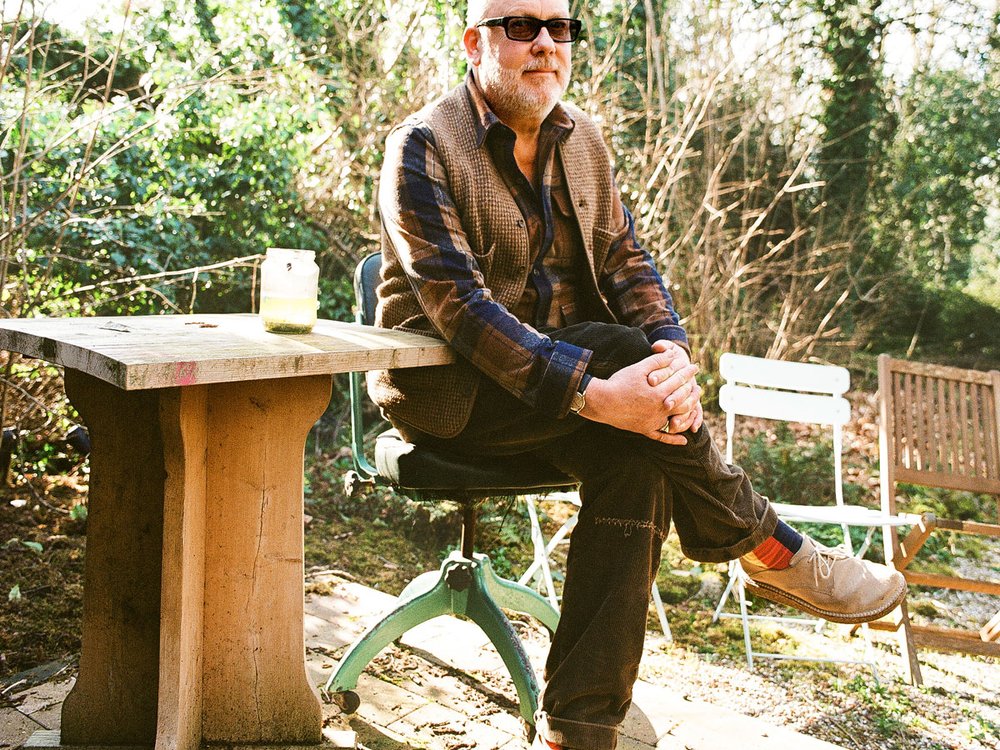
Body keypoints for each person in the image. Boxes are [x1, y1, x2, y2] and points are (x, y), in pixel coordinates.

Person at [369, 1, 906, 748]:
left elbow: (625, 258)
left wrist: (671, 351)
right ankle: (768, 543)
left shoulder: (582, 137)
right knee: (619, 355)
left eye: (559, 28)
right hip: (452, 392)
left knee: (639, 456)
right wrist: (597, 389)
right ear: (474, 43)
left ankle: (579, 729)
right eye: (520, 26)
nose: (546, 45)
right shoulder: (421, 147)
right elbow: (457, 306)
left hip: (576, 384)